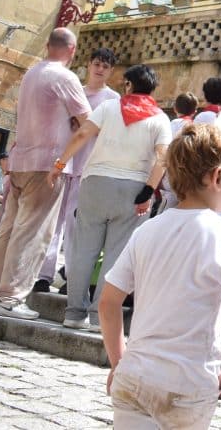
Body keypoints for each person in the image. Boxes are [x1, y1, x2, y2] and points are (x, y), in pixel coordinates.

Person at [98, 123, 221, 430]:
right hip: (189, 382)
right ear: (217, 176)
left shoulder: (146, 230)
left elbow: (108, 302)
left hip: (135, 375)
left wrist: (119, 361)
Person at [0, 27, 91, 320]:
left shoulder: (32, 73)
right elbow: (89, 122)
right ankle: (9, 298)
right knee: (32, 233)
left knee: (8, 230)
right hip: (47, 164)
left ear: (47, 46)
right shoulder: (65, 77)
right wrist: (70, 136)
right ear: (72, 49)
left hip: (21, 159)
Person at [54, 63, 171, 331]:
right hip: (133, 189)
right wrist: (148, 190)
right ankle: (99, 317)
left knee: (83, 250)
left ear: (129, 85)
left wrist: (59, 165)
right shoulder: (160, 118)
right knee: (116, 256)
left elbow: (83, 134)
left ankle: (73, 313)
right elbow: (163, 157)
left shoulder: (108, 107)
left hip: (95, 183)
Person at [36, 47, 120, 294]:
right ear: (88, 65)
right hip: (63, 164)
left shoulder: (113, 99)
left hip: (87, 168)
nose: (99, 69)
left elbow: (110, 133)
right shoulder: (75, 91)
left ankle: (72, 277)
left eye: (105, 66)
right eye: (97, 64)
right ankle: (44, 274)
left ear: (111, 71)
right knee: (53, 223)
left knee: (77, 227)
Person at [156, 91, 199, 212]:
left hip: (169, 176)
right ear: (195, 111)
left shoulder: (171, 124)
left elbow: (163, 150)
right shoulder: (196, 128)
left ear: (175, 108)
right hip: (187, 178)